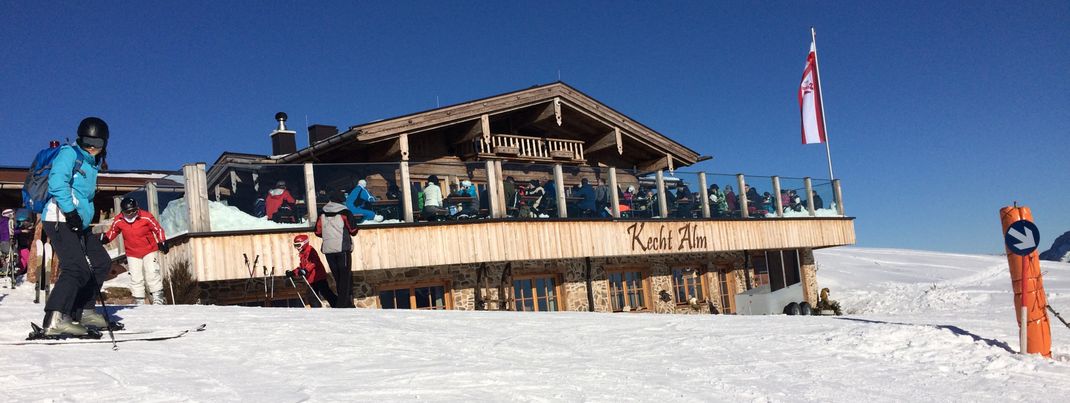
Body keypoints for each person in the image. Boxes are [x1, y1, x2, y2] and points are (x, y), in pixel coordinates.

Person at [40, 117, 113, 337]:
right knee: (75, 268)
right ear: (79, 140)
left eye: (97, 144)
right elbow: (57, 182)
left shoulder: (91, 164)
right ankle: (55, 319)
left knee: (101, 262)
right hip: (59, 218)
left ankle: (85, 310)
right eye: (87, 142)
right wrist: (70, 212)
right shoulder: (69, 154)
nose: (92, 147)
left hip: (77, 222)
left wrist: (77, 217)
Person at [101, 197, 169, 305]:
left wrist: (162, 241)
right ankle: (139, 300)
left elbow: (158, 229)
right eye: (128, 212)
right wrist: (105, 239)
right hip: (132, 252)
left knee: (152, 273)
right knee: (136, 276)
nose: (132, 213)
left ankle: (158, 297)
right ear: (123, 212)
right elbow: (113, 231)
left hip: (149, 250)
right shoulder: (119, 220)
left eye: (134, 210)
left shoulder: (145, 216)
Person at [315, 190, 359, 308]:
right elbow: (353, 230)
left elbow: (317, 232)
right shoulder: (345, 212)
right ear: (341, 199)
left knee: (337, 277)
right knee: (345, 277)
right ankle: (342, 305)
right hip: (342, 248)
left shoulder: (322, 212)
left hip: (328, 249)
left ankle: (347, 304)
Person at [287, 234, 337, 308]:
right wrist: (293, 272)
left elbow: (314, 262)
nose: (297, 248)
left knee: (325, 293)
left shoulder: (310, 251)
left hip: (318, 276)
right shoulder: (303, 254)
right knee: (312, 296)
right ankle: (317, 310)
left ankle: (337, 306)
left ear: (304, 243)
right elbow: (302, 267)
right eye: (295, 246)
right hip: (311, 279)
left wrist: (306, 270)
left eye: (298, 245)